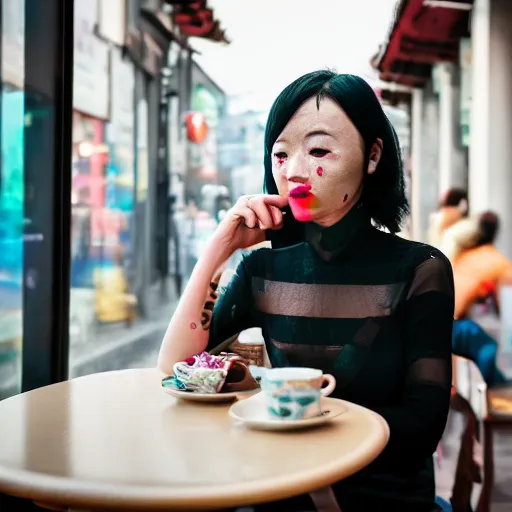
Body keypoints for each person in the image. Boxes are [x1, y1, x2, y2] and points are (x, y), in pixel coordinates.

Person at [158, 71, 454, 512]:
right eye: (280, 154)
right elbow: (176, 370)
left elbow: (423, 427)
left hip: (384, 498)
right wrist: (219, 249)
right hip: (280, 490)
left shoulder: (420, 268)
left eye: (318, 150)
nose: (293, 171)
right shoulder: (263, 268)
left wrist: (295, 427)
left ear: (372, 156)